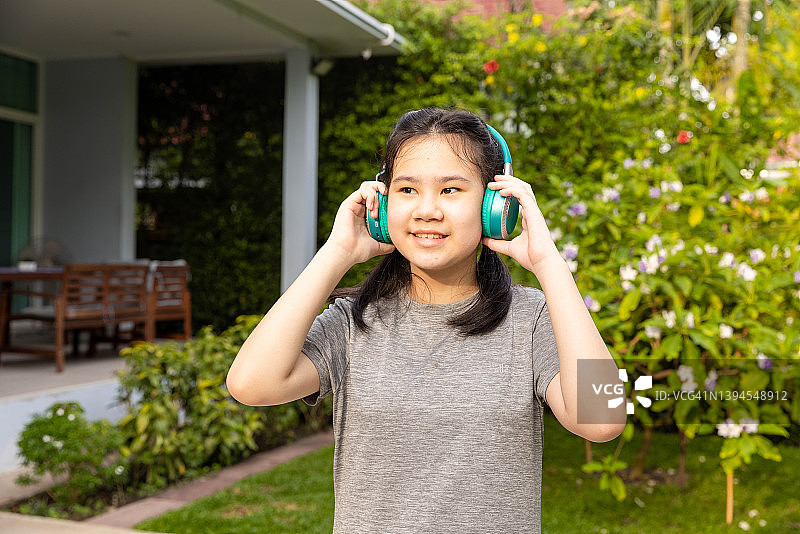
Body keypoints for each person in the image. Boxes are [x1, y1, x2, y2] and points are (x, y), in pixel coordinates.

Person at [227, 107, 625, 532]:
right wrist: (337, 252)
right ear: (381, 203)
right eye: (407, 189)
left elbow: (602, 418)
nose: (426, 210)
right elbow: (251, 384)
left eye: (451, 189)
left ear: (495, 204)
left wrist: (549, 264)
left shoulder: (530, 319)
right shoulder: (352, 322)